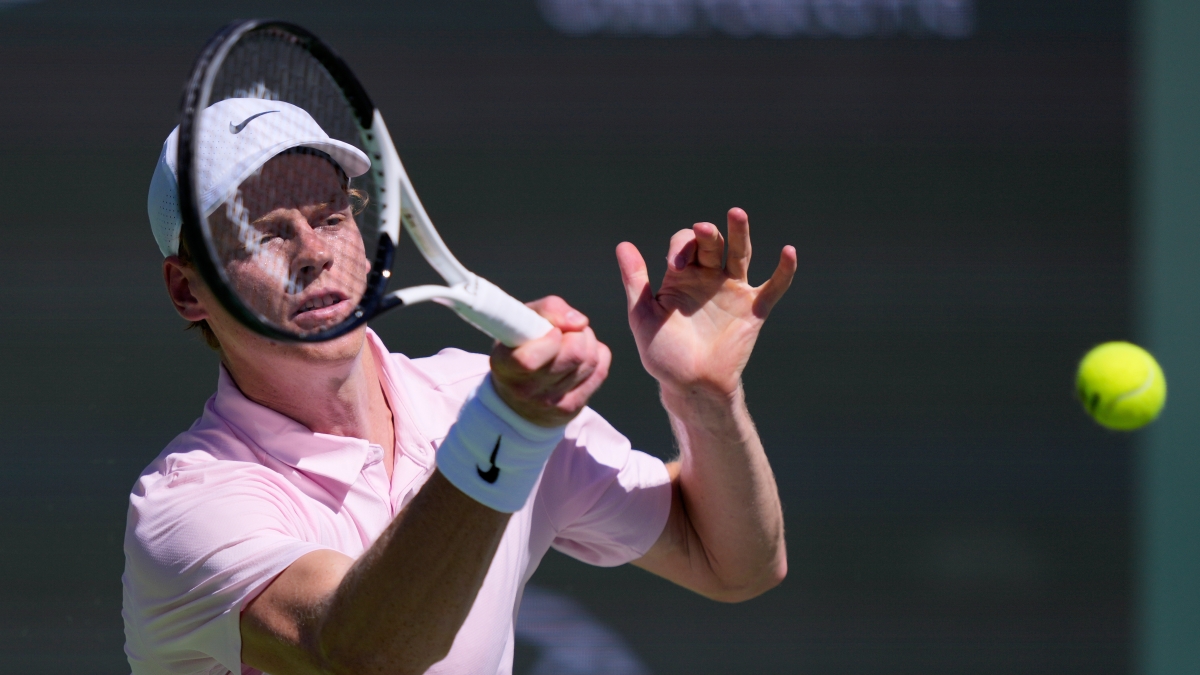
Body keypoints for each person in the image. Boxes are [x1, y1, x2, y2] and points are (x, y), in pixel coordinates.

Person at [123, 98, 797, 675]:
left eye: (330, 217)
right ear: (188, 290)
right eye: (265, 234)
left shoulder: (473, 396)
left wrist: (705, 398)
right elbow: (361, 656)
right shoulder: (186, 504)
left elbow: (733, 562)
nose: (315, 253)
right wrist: (507, 426)